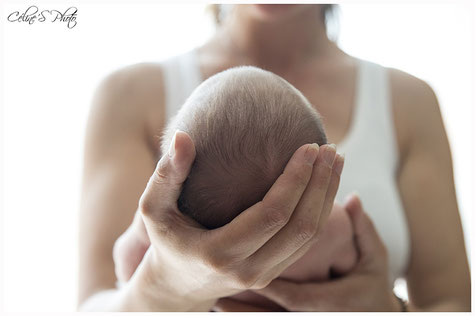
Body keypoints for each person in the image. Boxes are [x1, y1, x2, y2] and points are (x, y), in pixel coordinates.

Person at [78, 4, 470, 311]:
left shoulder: (408, 102)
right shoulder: (128, 93)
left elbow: (454, 304)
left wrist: (385, 309)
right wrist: (166, 284)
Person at [114, 65, 358, 311]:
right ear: (317, 177)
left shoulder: (164, 235)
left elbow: (126, 264)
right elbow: (355, 269)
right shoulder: (330, 227)